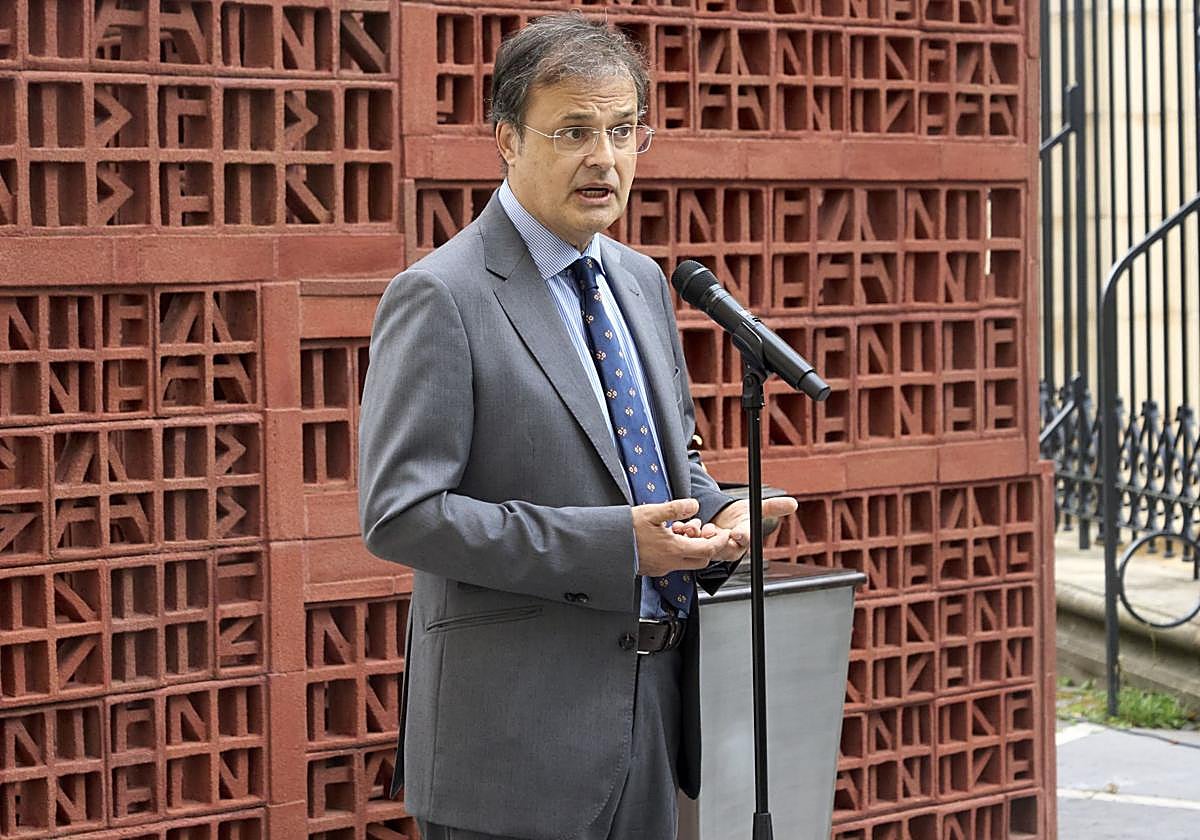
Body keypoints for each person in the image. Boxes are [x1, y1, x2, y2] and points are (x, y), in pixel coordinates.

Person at [357, 13, 797, 840]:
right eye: (573, 131)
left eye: (624, 130)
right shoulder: (440, 297)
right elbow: (400, 514)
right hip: (512, 745)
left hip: (654, 721)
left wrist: (718, 515)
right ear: (507, 140)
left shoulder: (641, 281)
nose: (605, 157)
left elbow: (663, 465)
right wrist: (619, 547)